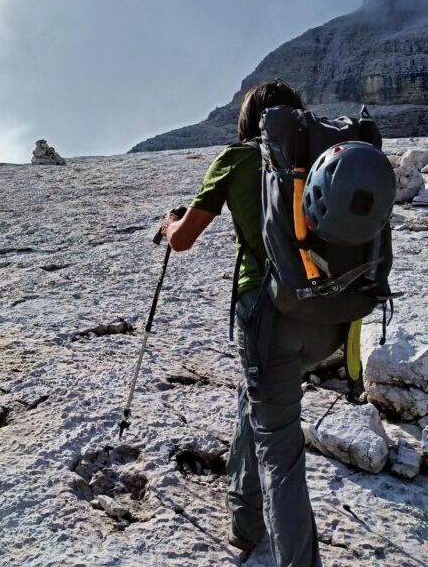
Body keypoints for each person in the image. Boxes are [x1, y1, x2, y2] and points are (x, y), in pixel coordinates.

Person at [157, 80, 344, 567]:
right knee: (255, 397)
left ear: (249, 121)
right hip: (329, 319)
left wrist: (167, 222)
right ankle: (244, 520)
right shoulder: (324, 157)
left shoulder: (236, 159)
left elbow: (182, 240)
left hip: (269, 318)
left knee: (280, 452)